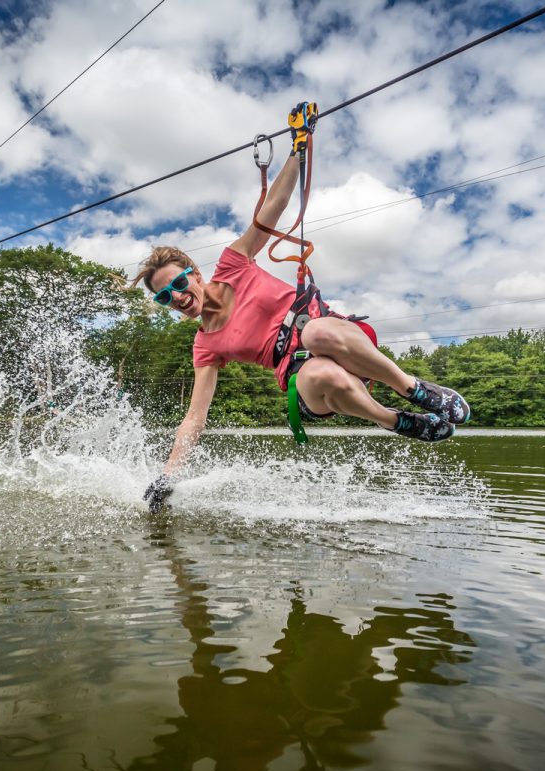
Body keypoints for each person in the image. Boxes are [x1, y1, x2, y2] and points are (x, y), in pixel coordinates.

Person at [135, 102, 468, 512]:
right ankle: (394, 420)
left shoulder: (232, 263)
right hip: (307, 378)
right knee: (323, 369)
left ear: (195, 274)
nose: (179, 297)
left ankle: (414, 389)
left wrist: (299, 146)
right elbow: (193, 419)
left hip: (341, 340)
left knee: (317, 331)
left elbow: (272, 209)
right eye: (165, 297)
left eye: (180, 284)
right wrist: (169, 477)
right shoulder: (205, 345)